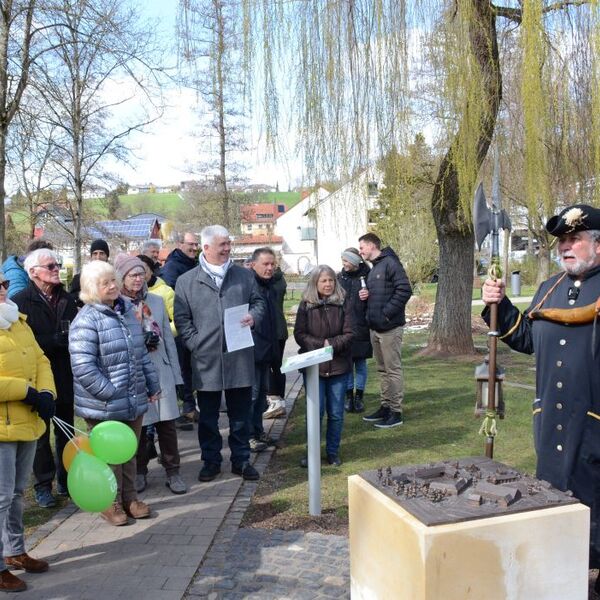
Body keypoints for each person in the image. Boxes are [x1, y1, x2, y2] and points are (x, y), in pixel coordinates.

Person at [481, 203, 600, 583]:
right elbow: (528, 338)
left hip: (593, 422)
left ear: (598, 244)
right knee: (555, 500)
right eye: (562, 241)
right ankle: (561, 580)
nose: (566, 246)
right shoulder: (549, 288)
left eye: (575, 239)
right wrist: (496, 306)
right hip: (551, 421)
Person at [69, 261, 161, 526]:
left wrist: (152, 385)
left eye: (113, 280)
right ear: (90, 289)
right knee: (109, 457)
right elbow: (84, 368)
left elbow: (141, 353)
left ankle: (130, 499)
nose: (112, 286)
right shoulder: (85, 320)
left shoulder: (125, 312)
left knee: (129, 452)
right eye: (105, 283)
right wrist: (110, 393)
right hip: (104, 404)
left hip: (133, 399)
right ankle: (109, 503)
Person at [174, 225, 265, 482]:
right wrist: (196, 344)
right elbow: (181, 319)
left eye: (228, 243)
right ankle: (211, 461)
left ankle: (241, 460)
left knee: (240, 416)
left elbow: (259, 303)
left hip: (239, 356)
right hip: (206, 360)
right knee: (208, 418)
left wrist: (253, 316)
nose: (227, 249)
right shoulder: (186, 281)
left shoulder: (244, 276)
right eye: (222, 245)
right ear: (206, 248)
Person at [0, 271, 56, 592]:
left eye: (5, 283)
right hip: (2, 427)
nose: (4, 289)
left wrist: (46, 393)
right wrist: (25, 390)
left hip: (27, 421)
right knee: (1, 497)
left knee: (18, 493)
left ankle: (15, 552)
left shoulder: (18, 321)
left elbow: (41, 360)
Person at [114, 254, 186, 495]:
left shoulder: (155, 301)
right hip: (135, 372)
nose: (138, 279)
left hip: (161, 368)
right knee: (141, 426)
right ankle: (140, 472)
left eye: (141, 274)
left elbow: (168, 339)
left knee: (167, 425)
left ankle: (173, 471)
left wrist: (176, 375)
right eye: (132, 275)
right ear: (121, 278)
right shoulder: (116, 305)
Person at [12, 249, 78, 508]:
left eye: (57, 264)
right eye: (50, 265)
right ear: (33, 272)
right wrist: (51, 341)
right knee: (40, 436)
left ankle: (66, 479)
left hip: (64, 374)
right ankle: (43, 486)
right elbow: (20, 344)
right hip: (36, 379)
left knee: (67, 432)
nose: (55, 268)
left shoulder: (67, 299)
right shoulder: (20, 302)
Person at [294, 265, 353, 466]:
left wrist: (333, 345)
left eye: (331, 280)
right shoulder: (306, 305)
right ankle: (312, 454)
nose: (328, 284)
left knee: (336, 414)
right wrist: (321, 345)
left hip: (339, 367)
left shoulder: (344, 303)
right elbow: (299, 334)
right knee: (315, 413)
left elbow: (350, 333)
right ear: (315, 283)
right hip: (314, 369)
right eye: (323, 281)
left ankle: (333, 452)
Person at [358, 233, 412, 429]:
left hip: (389, 328)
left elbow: (405, 290)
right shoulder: (374, 269)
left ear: (372, 246)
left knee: (393, 370)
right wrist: (366, 296)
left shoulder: (390, 263)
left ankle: (396, 412)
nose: (360, 251)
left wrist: (386, 314)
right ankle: (385, 407)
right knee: (382, 371)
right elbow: (382, 293)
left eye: (362, 247)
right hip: (376, 328)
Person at [162, 232, 200, 430]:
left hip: (196, 322)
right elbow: (175, 298)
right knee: (184, 367)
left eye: (196, 244)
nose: (194, 248)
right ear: (179, 244)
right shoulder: (172, 267)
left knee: (193, 367)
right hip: (181, 325)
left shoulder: (195, 263)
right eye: (190, 244)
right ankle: (187, 406)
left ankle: (191, 405)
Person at [248, 248, 280, 452]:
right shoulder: (248, 285)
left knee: (260, 396)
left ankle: (258, 431)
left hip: (266, 348)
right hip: (251, 350)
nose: (270, 268)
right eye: (265, 264)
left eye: (272, 264)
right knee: (251, 396)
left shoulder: (271, 286)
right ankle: (249, 437)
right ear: (253, 264)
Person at [337, 247, 372, 413]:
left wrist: (369, 295)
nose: (344, 264)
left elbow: (377, 297)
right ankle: (348, 396)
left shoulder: (367, 276)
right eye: (342, 260)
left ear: (354, 261)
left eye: (346, 261)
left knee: (361, 364)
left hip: (362, 325)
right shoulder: (339, 277)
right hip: (344, 327)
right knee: (347, 363)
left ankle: (359, 397)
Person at [263, 264, 289, 420]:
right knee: (277, 366)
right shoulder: (280, 279)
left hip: (274, 329)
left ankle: (275, 400)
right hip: (279, 328)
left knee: (272, 366)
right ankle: (279, 399)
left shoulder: (273, 282)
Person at [69, 239, 110, 307]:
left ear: (107, 256)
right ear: (91, 256)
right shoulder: (80, 278)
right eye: (95, 253)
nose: (98, 257)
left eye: (102, 253)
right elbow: (72, 300)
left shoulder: (113, 278)